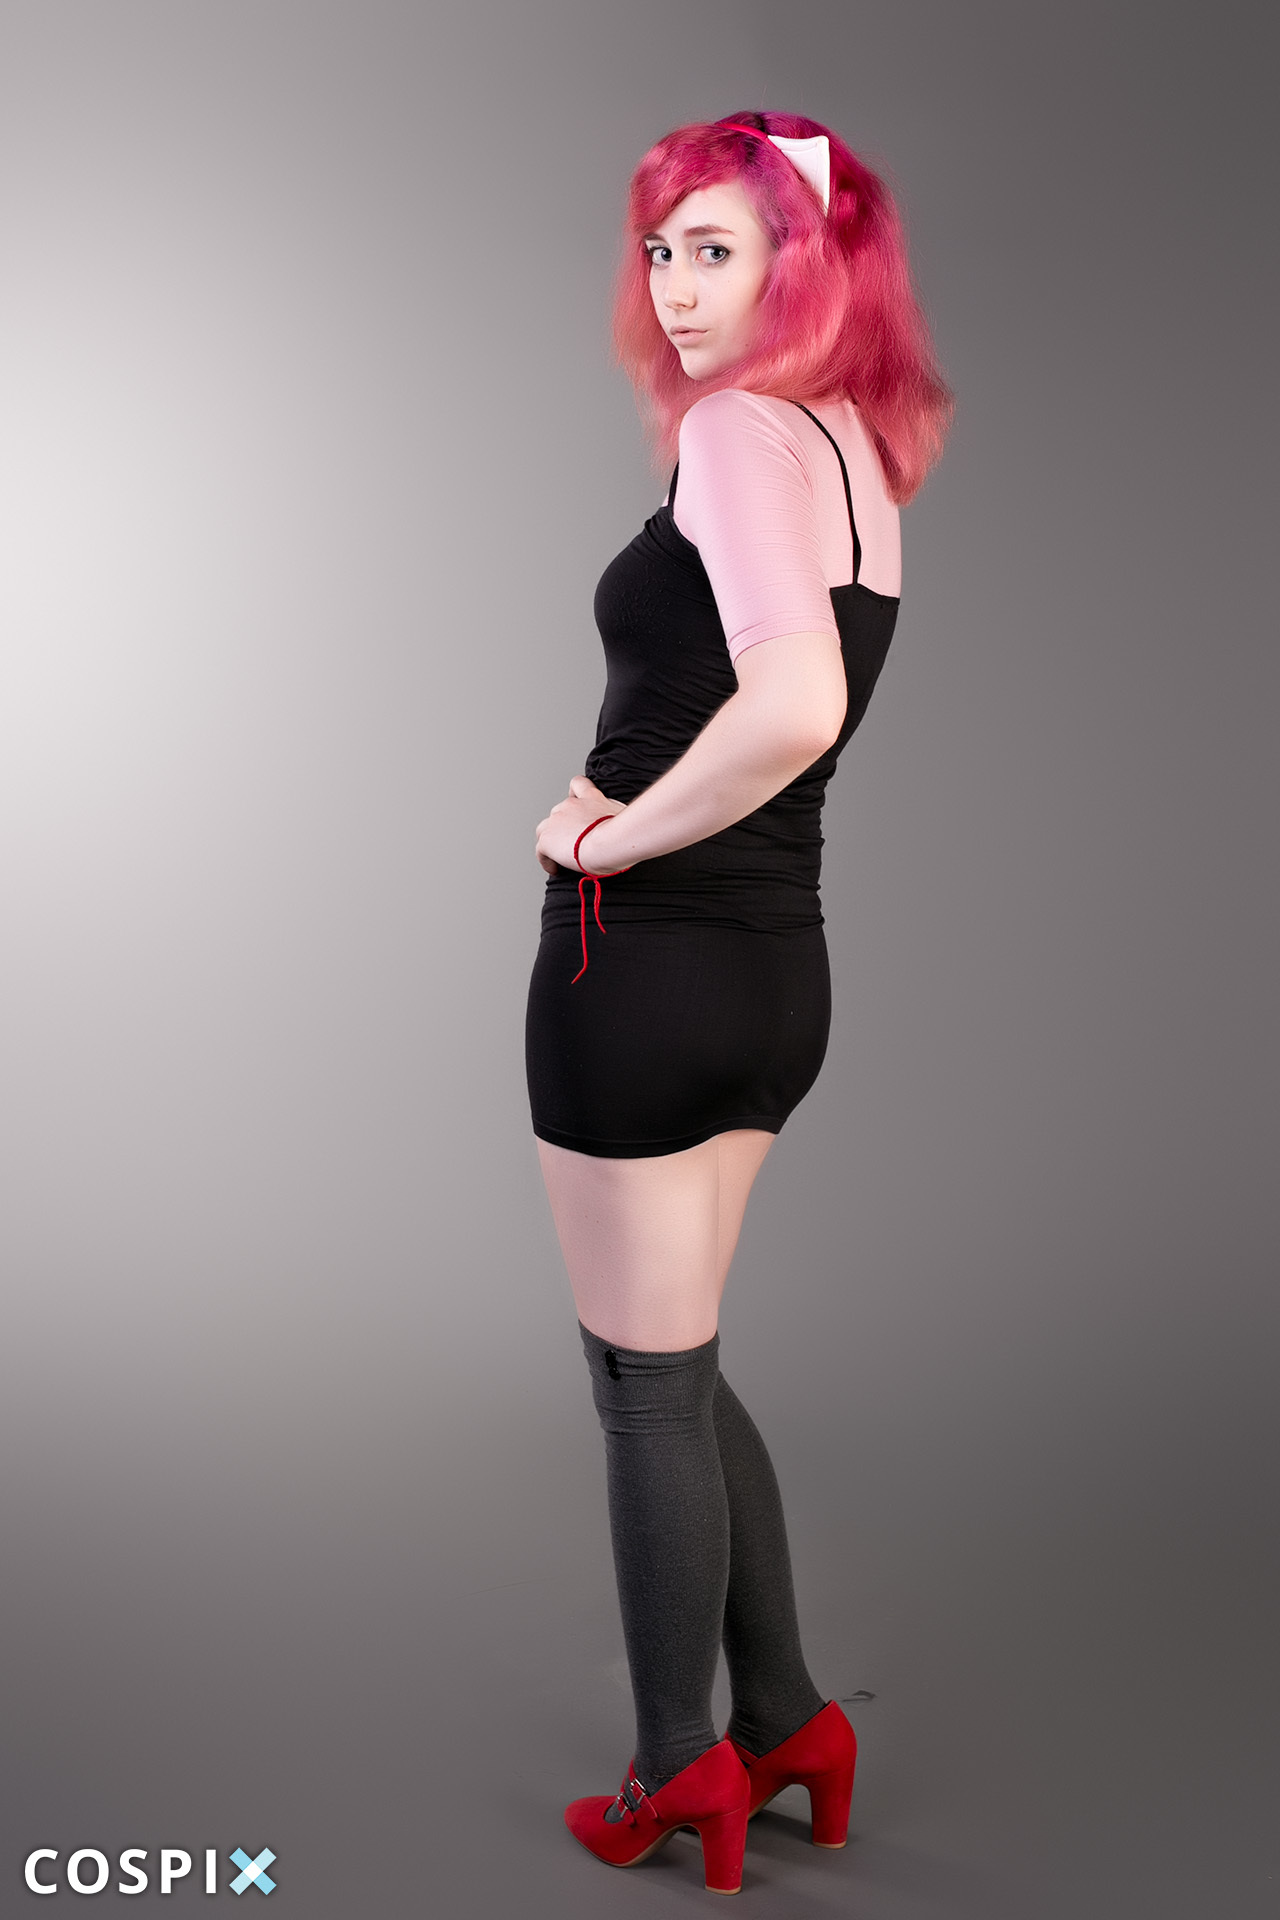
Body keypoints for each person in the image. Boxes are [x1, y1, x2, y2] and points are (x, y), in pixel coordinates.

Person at [525, 111, 951, 1894]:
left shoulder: (735, 436)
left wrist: (607, 836)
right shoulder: (856, 451)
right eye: (661, 250)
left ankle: (672, 1770)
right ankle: (784, 1722)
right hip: (780, 975)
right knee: (680, 1362)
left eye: (717, 247)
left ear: (807, 259)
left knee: (638, 1381)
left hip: (645, 969)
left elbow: (793, 708)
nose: (676, 288)